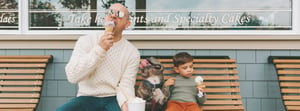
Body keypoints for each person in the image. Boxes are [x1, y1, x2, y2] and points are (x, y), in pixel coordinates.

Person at [56, 3, 140, 111]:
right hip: (86, 97)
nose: (113, 16)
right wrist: (100, 49)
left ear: (127, 24)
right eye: (110, 12)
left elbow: (126, 85)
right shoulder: (86, 41)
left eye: (119, 14)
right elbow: (72, 76)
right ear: (105, 18)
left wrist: (125, 103)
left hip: (112, 98)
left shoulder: (131, 52)